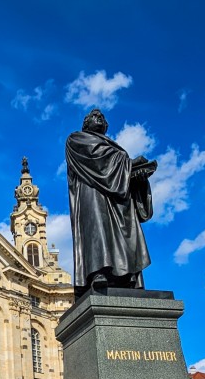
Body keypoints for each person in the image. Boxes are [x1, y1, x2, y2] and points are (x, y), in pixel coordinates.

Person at [65, 108, 157, 298]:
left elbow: (116, 167)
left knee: (125, 233)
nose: (99, 118)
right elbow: (95, 158)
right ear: (86, 123)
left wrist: (136, 174)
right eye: (94, 116)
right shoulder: (76, 139)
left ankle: (127, 276)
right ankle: (97, 272)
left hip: (117, 198)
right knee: (97, 231)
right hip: (93, 193)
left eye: (102, 117)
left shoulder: (114, 147)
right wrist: (128, 163)